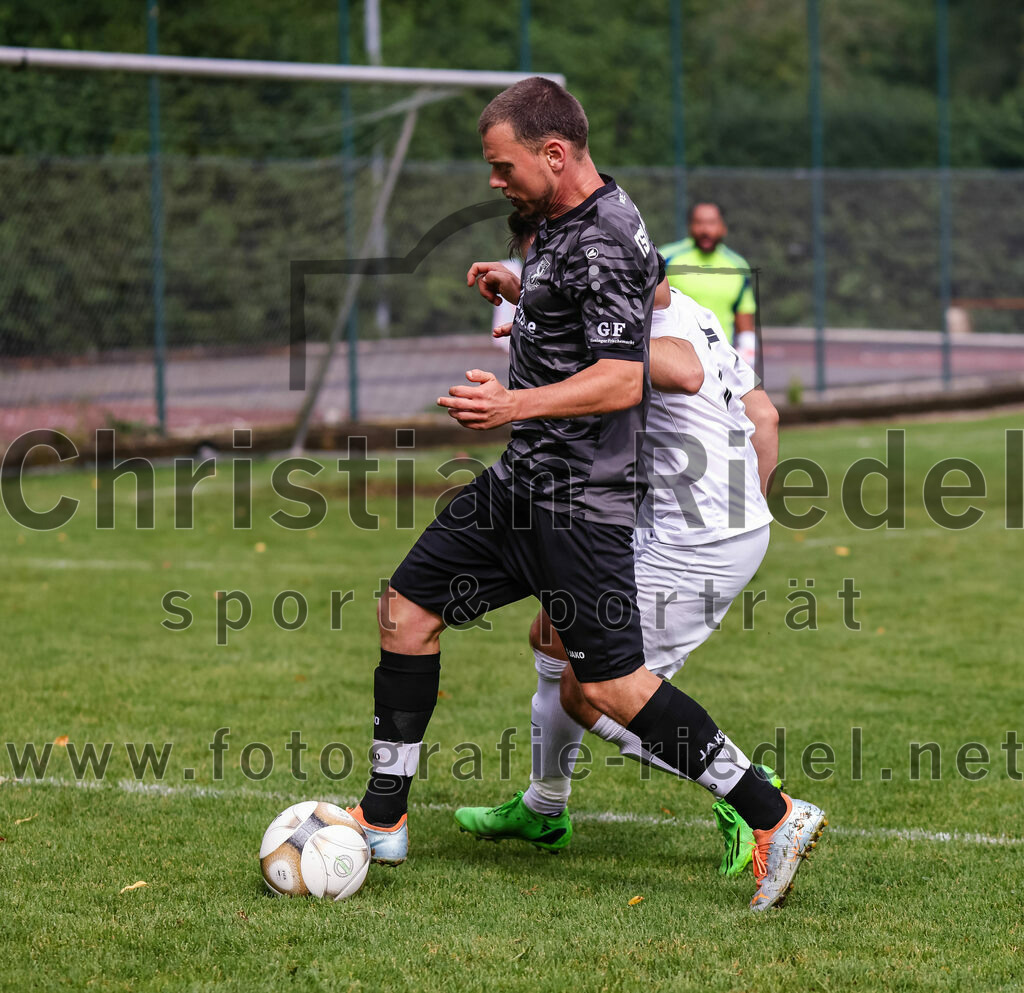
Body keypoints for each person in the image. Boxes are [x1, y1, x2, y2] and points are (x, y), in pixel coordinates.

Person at [346, 76, 823, 912]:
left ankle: (770, 811)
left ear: (554, 153)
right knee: (405, 611)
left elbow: (620, 376)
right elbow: (595, 313)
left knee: (606, 687)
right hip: (519, 486)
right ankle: (384, 817)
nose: (494, 180)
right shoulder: (570, 224)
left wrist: (509, 403)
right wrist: (522, 289)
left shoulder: (606, 235)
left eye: (503, 166)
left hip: (582, 502)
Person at [457, 273, 792, 881]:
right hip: (701, 524)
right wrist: (749, 512)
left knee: (593, 693)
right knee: (553, 636)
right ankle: (544, 808)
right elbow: (763, 416)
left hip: (695, 540)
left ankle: (749, 793)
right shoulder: (694, 312)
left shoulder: (649, 331)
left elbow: (678, 370)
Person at [660, 202, 758, 366]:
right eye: (699, 223)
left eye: (712, 223)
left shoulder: (738, 266)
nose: (705, 230)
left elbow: (744, 320)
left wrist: (746, 357)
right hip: (676, 362)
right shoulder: (665, 259)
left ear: (723, 227)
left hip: (720, 363)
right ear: (691, 227)